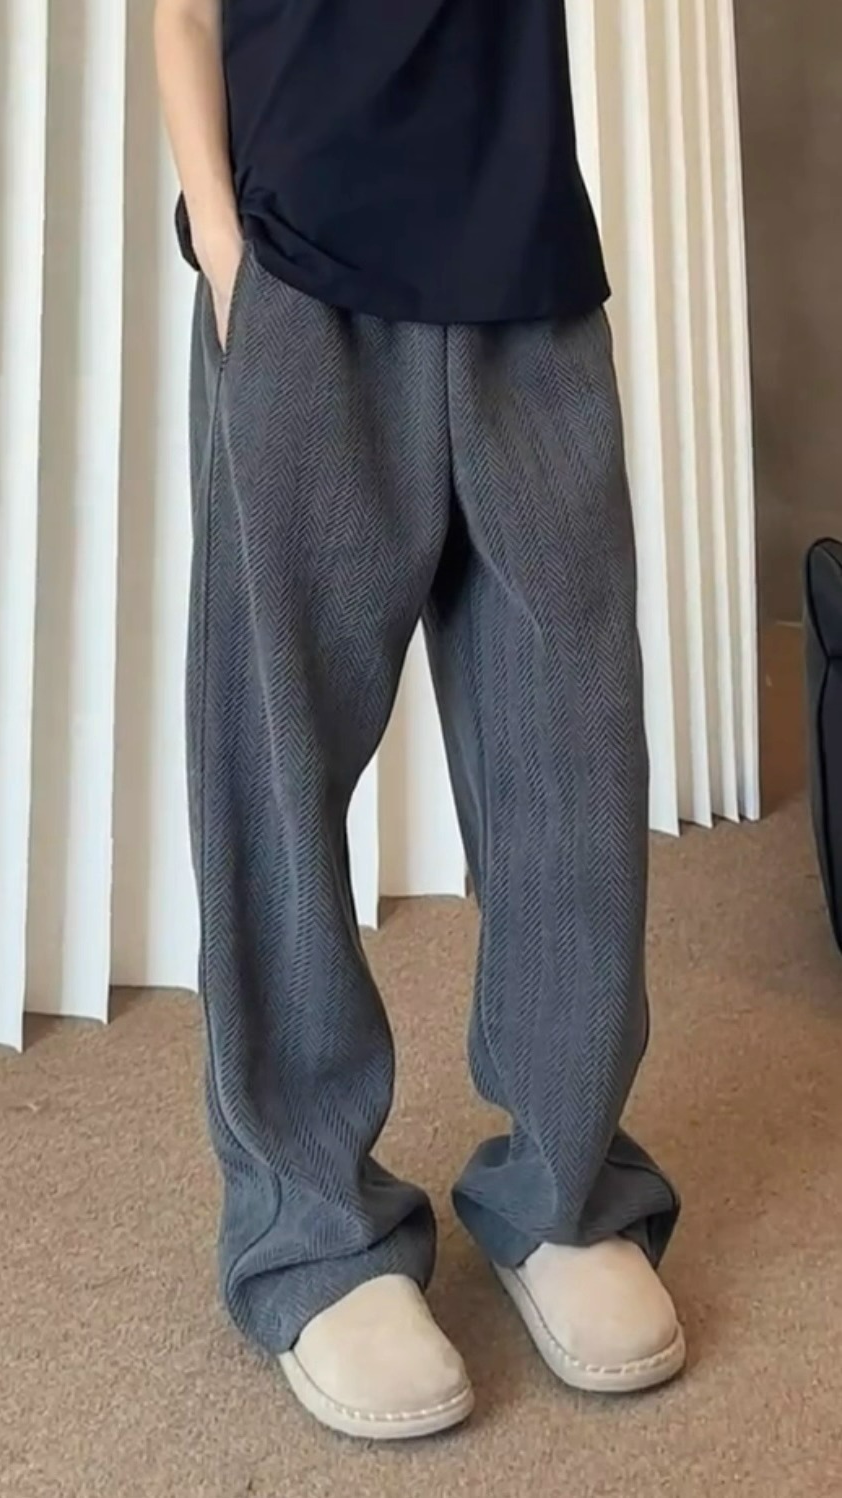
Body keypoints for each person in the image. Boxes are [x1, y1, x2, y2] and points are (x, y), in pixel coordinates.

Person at [154, 0, 684, 1442]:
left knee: (575, 748)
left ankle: (566, 1187)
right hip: (301, 261)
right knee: (277, 762)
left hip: (526, 259)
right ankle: (309, 1223)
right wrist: (226, 250)